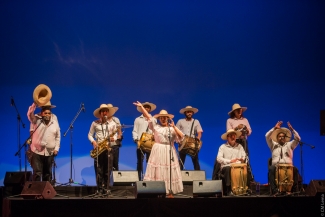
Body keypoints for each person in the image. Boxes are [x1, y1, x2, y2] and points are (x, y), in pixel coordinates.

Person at [133, 101, 184, 197]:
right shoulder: (155, 127)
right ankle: (157, 190)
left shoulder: (172, 129)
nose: (163, 119)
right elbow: (149, 118)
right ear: (159, 119)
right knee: (158, 170)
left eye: (165, 117)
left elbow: (181, 137)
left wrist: (174, 127)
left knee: (168, 170)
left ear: (168, 118)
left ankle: (169, 190)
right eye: (161, 117)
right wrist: (142, 108)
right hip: (158, 150)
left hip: (169, 150)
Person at [88, 104, 119, 192]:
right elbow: (90, 135)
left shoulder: (112, 123)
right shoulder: (95, 123)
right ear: (100, 113)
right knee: (98, 169)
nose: (104, 113)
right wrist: (93, 142)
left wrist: (114, 138)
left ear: (108, 113)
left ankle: (106, 187)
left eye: (106, 111)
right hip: (99, 148)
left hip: (109, 148)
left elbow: (116, 135)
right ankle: (99, 188)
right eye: (103, 111)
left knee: (107, 169)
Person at [27, 101, 60, 182]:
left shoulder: (54, 121)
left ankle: (46, 193)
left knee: (47, 173)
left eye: (49, 113)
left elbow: (58, 136)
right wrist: (34, 104)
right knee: (37, 173)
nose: (47, 115)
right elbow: (29, 114)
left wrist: (56, 148)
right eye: (45, 113)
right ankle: (36, 192)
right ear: (41, 113)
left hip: (49, 152)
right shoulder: (36, 119)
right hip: (37, 151)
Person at [266, 121, 300, 195]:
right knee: (271, 169)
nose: (281, 137)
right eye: (280, 136)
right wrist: (274, 128)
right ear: (277, 138)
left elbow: (297, 139)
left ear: (285, 138)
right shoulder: (273, 145)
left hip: (288, 166)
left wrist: (292, 130)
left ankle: (293, 191)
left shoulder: (290, 145)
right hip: (276, 166)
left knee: (295, 169)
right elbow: (267, 136)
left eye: (283, 136)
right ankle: (275, 191)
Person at [226, 103, 254, 183]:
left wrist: (245, 129)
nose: (239, 111)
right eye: (237, 110)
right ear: (234, 112)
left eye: (240, 110)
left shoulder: (245, 120)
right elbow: (229, 131)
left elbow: (249, 131)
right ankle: (235, 177)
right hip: (235, 141)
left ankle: (248, 178)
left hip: (243, 140)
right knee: (235, 158)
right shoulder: (230, 120)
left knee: (246, 158)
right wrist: (237, 128)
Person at [217, 129, 246, 196]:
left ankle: (244, 189)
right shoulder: (222, 147)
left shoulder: (240, 146)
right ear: (227, 137)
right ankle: (229, 189)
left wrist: (242, 159)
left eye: (234, 136)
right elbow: (219, 159)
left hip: (237, 166)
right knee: (228, 168)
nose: (233, 137)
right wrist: (230, 161)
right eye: (231, 136)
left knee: (245, 168)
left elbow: (244, 156)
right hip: (227, 167)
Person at [132, 102, 157, 181]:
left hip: (150, 144)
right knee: (139, 162)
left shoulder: (153, 119)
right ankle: (138, 179)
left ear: (149, 109)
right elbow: (135, 130)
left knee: (150, 162)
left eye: (148, 107)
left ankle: (150, 179)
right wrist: (136, 139)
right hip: (140, 143)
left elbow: (155, 130)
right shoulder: (137, 119)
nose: (146, 108)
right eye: (145, 107)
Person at [176, 106, 203, 170]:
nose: (189, 113)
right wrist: (178, 140)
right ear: (185, 113)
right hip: (183, 142)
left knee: (195, 160)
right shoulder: (180, 121)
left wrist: (198, 138)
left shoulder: (196, 121)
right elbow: (176, 131)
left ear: (192, 113)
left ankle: (198, 176)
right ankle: (178, 176)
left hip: (192, 143)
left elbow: (199, 131)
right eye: (188, 112)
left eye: (190, 112)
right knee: (181, 161)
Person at [106, 104, 122, 171]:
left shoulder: (116, 120)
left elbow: (119, 130)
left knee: (115, 162)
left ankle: (115, 180)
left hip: (115, 143)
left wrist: (119, 135)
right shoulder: (103, 120)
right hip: (106, 144)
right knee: (107, 163)